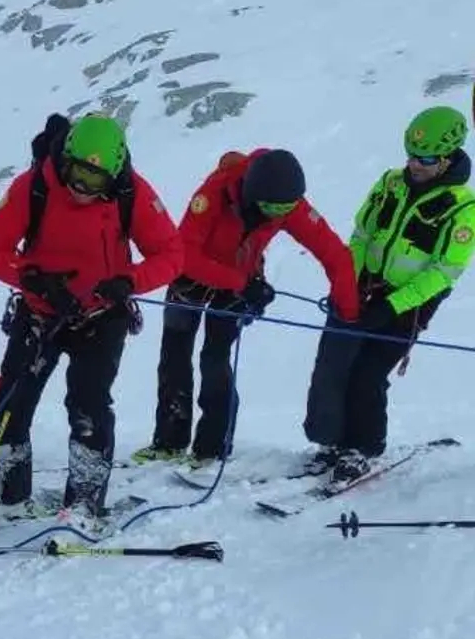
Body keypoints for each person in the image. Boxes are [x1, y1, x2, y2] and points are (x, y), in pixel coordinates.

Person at [0, 113, 183, 530]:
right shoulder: (33, 186)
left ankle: (85, 502)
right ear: (63, 159)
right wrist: (30, 277)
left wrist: (130, 281)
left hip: (102, 317)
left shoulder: (132, 194)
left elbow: (172, 255)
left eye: (95, 181)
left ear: (115, 174)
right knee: (13, 401)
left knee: (88, 407)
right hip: (40, 312)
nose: (82, 189)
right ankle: (7, 493)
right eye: (76, 175)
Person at [131, 148, 360, 469]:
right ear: (252, 194)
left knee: (215, 357)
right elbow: (184, 254)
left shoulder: (287, 203)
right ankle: (169, 442)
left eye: (285, 210)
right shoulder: (212, 195)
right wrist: (239, 281)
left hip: (242, 278)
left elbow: (335, 254)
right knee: (175, 354)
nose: (274, 216)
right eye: (269, 208)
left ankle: (212, 447)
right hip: (195, 275)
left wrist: (349, 316)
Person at [303, 105, 475, 481]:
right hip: (363, 288)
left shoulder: (463, 209)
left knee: (367, 373)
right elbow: (363, 236)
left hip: (408, 303)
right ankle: (328, 441)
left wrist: (391, 306)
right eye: (411, 156)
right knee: (332, 364)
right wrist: (346, 283)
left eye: (426, 159)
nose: (415, 164)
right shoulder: (389, 184)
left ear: (448, 157)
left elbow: (443, 273)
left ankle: (363, 449)